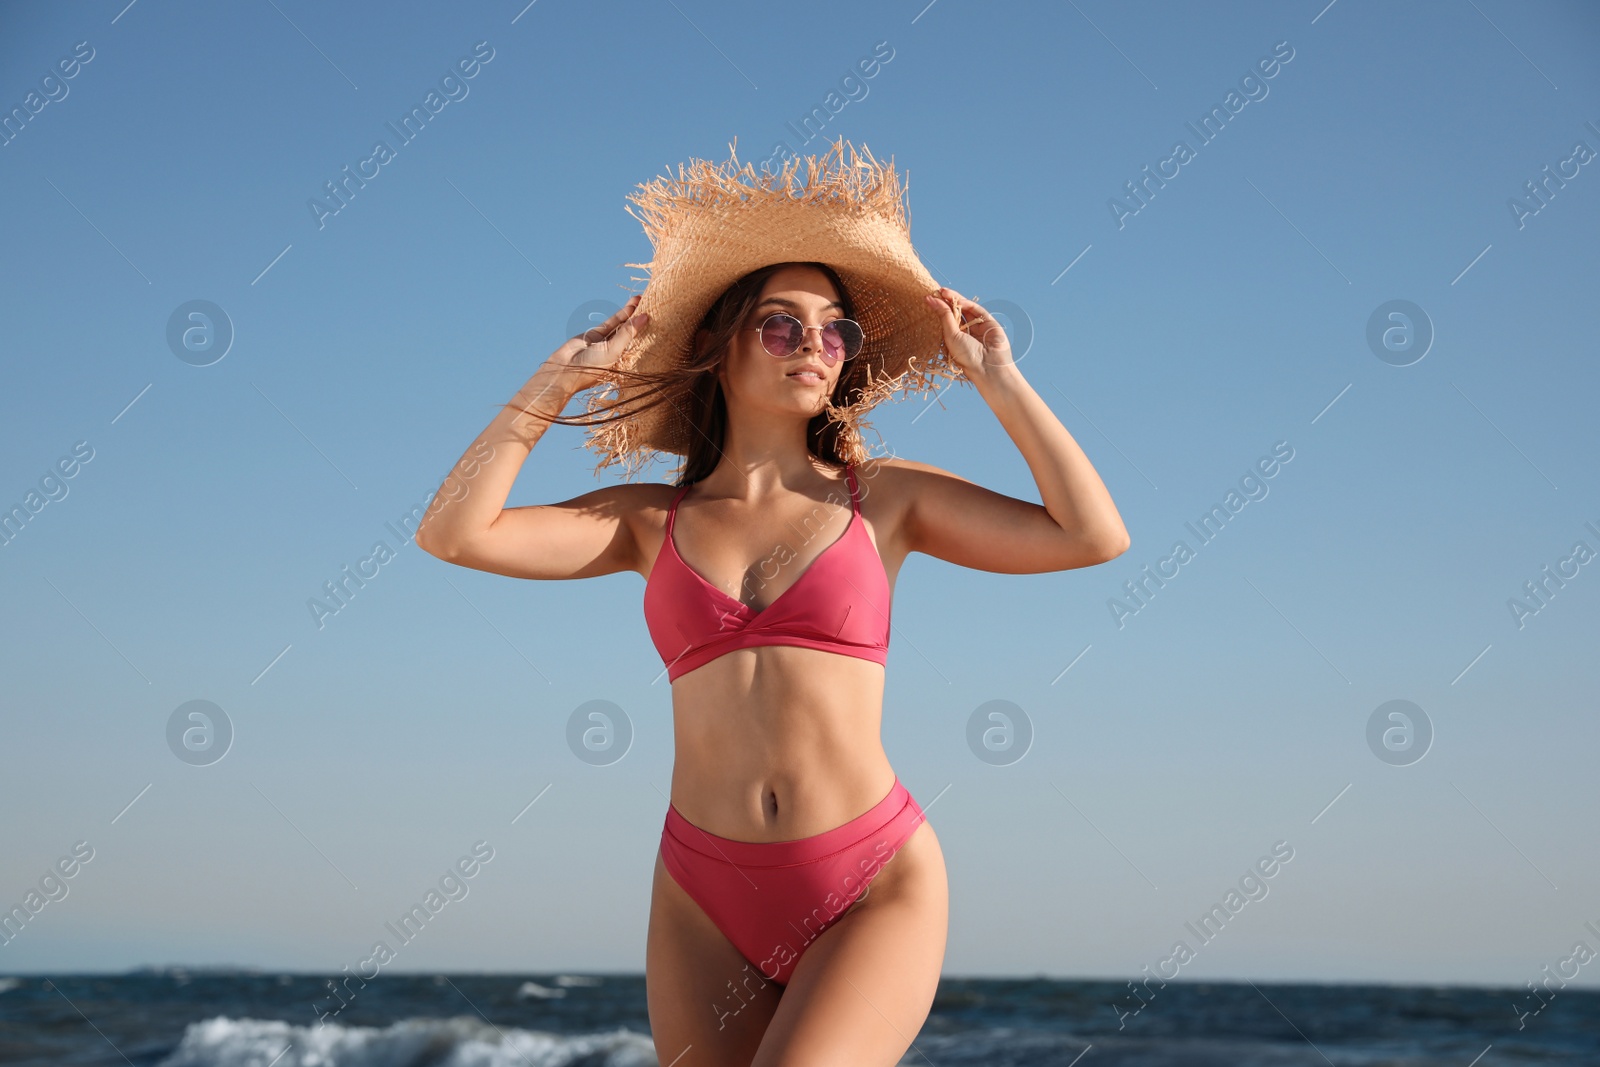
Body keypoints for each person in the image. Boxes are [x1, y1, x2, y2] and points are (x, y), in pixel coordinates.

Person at [415, 141, 1129, 1067]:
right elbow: (456, 532)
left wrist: (999, 378)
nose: (816, 346)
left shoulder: (887, 497)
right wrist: (557, 382)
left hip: (870, 878)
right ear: (718, 347)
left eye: (836, 330)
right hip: (700, 893)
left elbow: (1091, 535)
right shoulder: (647, 522)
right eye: (782, 325)